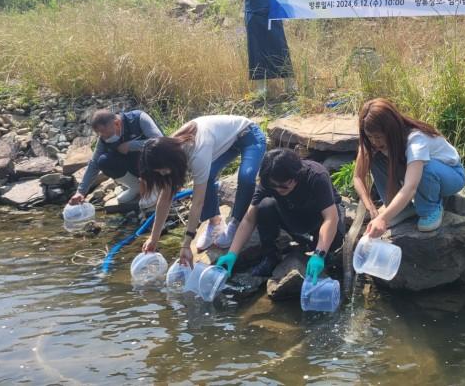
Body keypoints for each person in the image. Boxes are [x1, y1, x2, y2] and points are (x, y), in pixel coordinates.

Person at [139, 115, 267, 267]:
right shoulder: (167, 149)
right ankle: (215, 221)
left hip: (248, 134)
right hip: (225, 142)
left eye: (161, 170)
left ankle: (235, 222)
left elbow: (197, 202)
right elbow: (165, 197)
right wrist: (154, 238)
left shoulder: (198, 150)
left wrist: (186, 243)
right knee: (209, 174)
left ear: (170, 162)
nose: (161, 174)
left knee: (246, 177)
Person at [216, 148, 345, 282]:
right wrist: (232, 253)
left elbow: (331, 218)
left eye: (283, 186)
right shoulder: (270, 180)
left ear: (295, 177)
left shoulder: (316, 175)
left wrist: (320, 253)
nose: (278, 189)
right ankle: (271, 257)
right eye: (274, 186)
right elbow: (249, 219)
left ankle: (325, 257)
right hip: (294, 215)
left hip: (321, 217)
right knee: (264, 206)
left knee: (333, 240)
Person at [353, 98, 465, 238]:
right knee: (375, 159)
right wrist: (370, 207)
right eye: (370, 137)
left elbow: (410, 187)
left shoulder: (415, 140)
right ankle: (401, 209)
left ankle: (430, 209)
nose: (375, 142)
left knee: (426, 167)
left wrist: (383, 218)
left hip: (451, 176)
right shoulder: (371, 144)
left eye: (379, 137)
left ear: (391, 130)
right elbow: (358, 177)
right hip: (415, 174)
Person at [235, 0, 295, 99]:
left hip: (272, 16)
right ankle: (262, 91)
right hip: (253, 18)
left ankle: (290, 87)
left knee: (281, 49)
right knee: (257, 53)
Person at [68, 109, 163, 208]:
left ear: (117, 123)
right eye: (101, 134)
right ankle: (136, 187)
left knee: (154, 151)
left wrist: (131, 145)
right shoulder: (104, 138)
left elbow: (160, 141)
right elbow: (94, 163)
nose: (105, 138)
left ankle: (155, 185)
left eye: (106, 134)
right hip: (135, 165)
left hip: (155, 163)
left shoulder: (138, 118)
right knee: (104, 161)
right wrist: (81, 192)